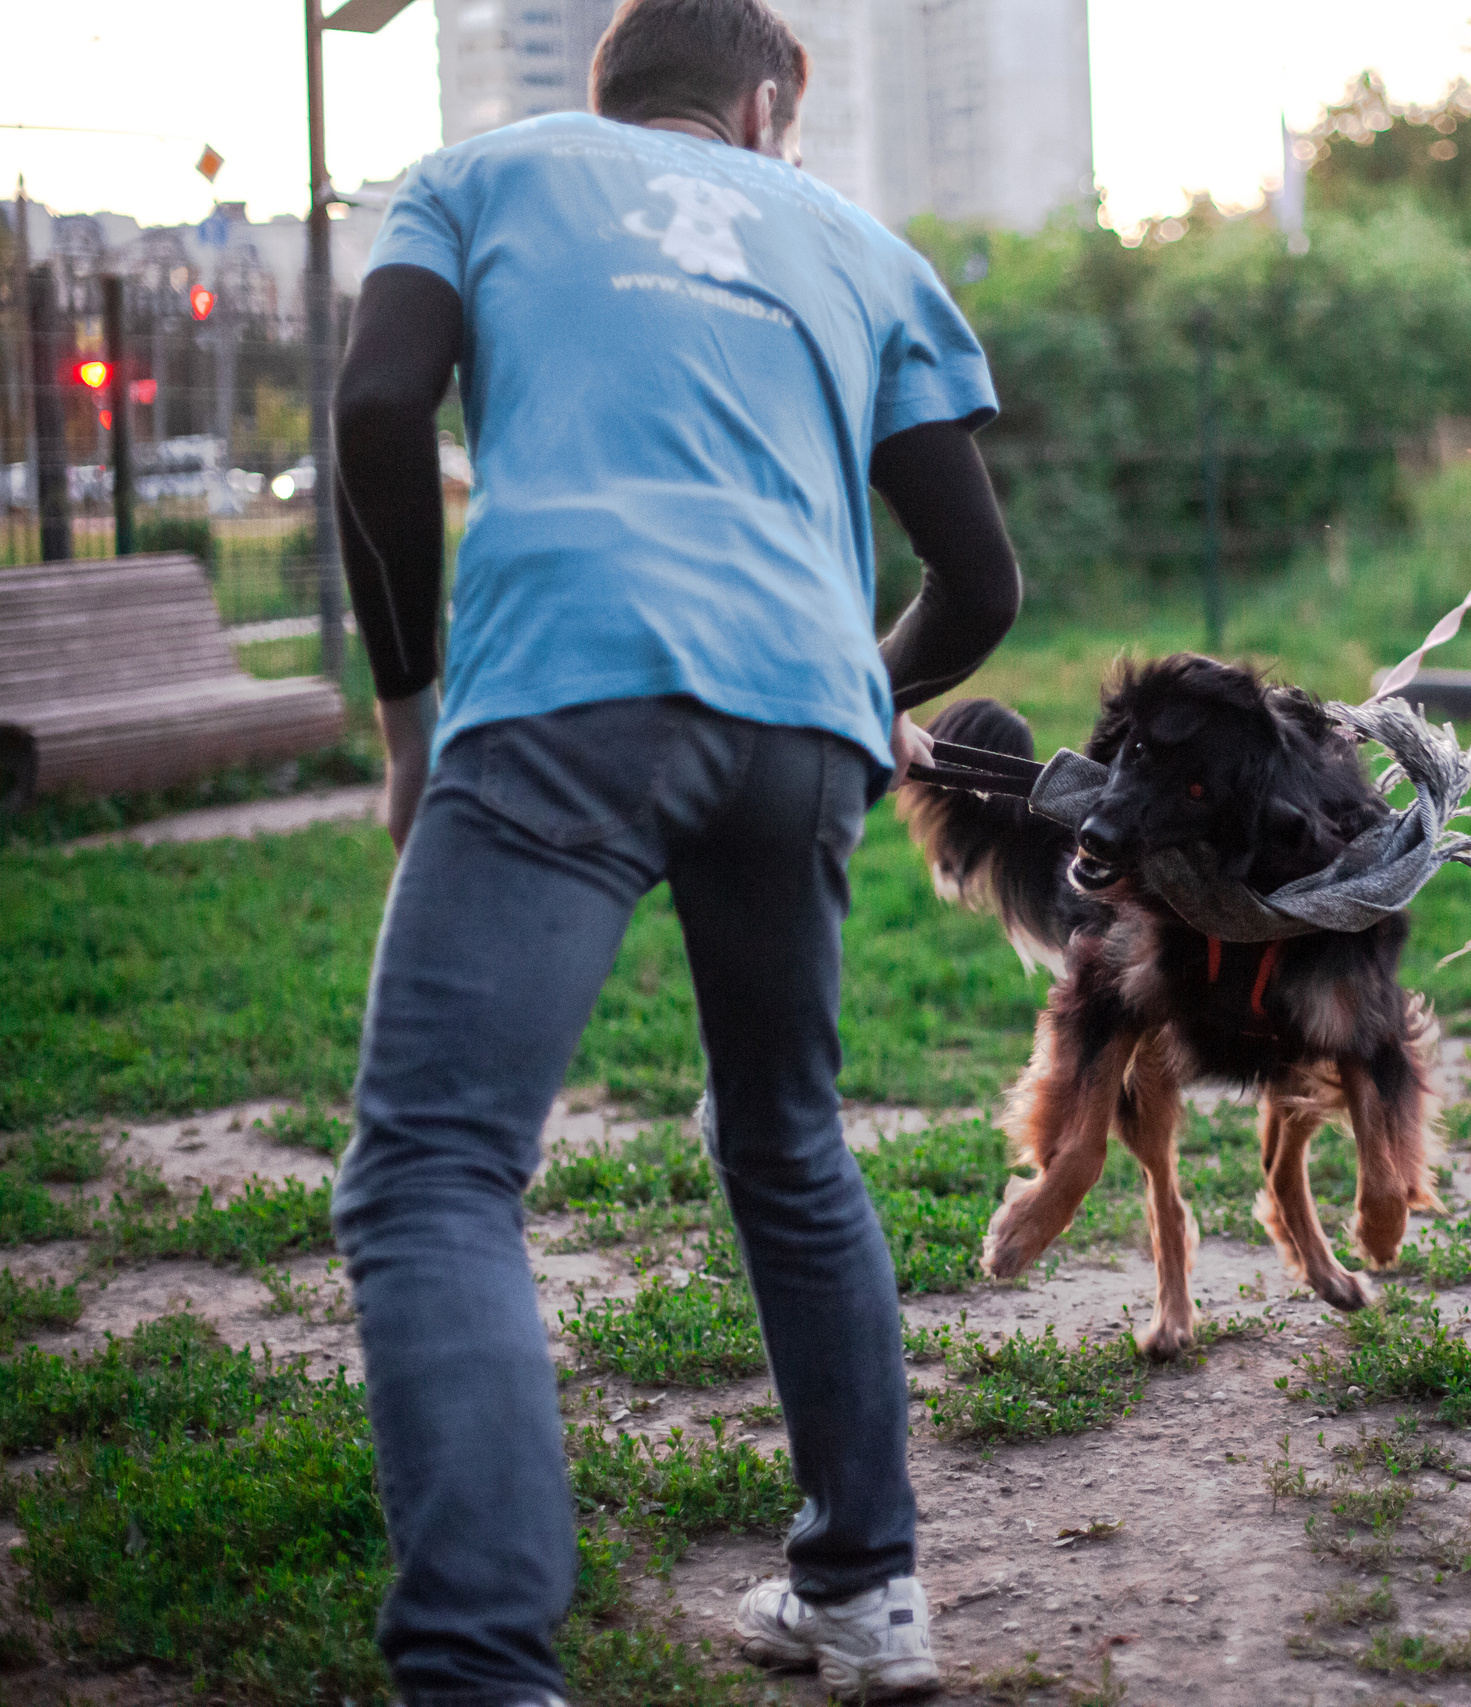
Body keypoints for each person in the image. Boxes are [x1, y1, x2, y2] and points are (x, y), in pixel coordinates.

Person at [327, 1, 1017, 1700]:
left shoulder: (476, 175)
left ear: (608, 90)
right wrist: (849, 689)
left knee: (437, 1169)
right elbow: (982, 581)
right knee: (788, 1137)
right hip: (802, 727)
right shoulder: (860, 243)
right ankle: (867, 1591)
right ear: (767, 107)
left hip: (564, 685)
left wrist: (409, 716)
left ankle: (481, 1667)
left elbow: (378, 405)